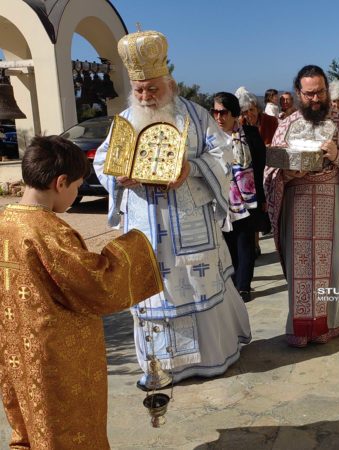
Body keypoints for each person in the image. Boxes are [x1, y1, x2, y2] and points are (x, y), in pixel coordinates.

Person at [93, 29, 251, 389]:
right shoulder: (125, 120)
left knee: (199, 287)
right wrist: (119, 177)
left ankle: (211, 359)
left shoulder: (197, 116)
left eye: (152, 89)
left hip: (189, 222)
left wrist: (191, 169)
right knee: (153, 295)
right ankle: (161, 366)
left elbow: (224, 155)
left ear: (170, 85)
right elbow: (103, 160)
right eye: (139, 90)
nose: (146, 96)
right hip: (145, 227)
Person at [0, 136, 163, 449]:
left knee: (31, 420)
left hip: (15, 348)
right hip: (57, 354)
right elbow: (96, 284)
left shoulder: (5, 221)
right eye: (76, 187)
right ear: (60, 182)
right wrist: (136, 247)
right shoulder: (49, 231)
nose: (76, 195)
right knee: (67, 425)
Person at [264, 65, 339, 347]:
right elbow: (270, 172)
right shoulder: (286, 125)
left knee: (336, 267)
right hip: (297, 206)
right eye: (310, 94)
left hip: (335, 206)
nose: (316, 99)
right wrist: (287, 174)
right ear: (298, 93)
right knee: (301, 267)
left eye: (320, 92)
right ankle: (302, 328)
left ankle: (337, 321)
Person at [213, 91, 267, 302]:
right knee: (227, 244)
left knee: (245, 243)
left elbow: (260, 167)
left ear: (234, 113)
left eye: (223, 112)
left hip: (247, 200)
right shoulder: (209, 139)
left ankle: (243, 286)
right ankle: (233, 282)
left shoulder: (250, 135)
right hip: (221, 199)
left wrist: (262, 198)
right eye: (215, 112)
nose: (219, 117)